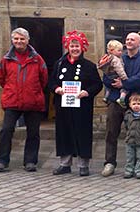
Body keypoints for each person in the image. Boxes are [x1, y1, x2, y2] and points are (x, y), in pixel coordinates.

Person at [49, 30, 102, 176]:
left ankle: (83, 165)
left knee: (82, 133)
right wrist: (57, 88)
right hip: (63, 106)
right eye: (72, 46)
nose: (74, 49)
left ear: (82, 47)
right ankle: (65, 164)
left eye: (77, 46)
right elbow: (51, 82)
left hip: (82, 107)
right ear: (68, 47)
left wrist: (87, 92)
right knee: (64, 133)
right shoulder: (59, 64)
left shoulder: (89, 66)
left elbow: (97, 84)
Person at [0, 27, 48, 172]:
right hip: (12, 100)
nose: (19, 41)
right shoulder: (6, 59)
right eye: (16, 39)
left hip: (33, 101)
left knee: (33, 133)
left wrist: (33, 90)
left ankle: (30, 161)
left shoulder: (37, 59)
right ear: (12, 40)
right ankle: (2, 160)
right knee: (6, 130)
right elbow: (1, 78)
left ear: (27, 40)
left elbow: (44, 79)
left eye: (22, 39)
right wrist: (11, 90)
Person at [102, 32, 140, 177]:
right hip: (115, 100)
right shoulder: (117, 57)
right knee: (111, 132)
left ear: (139, 43)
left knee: (137, 135)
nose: (128, 41)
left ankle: (136, 166)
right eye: (127, 39)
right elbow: (105, 77)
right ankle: (109, 163)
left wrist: (124, 83)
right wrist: (113, 83)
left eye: (132, 39)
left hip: (135, 102)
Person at [98, 40, 128, 106]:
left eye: (121, 51)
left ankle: (106, 97)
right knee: (125, 88)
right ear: (112, 50)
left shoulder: (107, 58)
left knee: (108, 88)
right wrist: (125, 78)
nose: (121, 52)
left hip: (109, 75)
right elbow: (119, 69)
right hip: (116, 75)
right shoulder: (116, 59)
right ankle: (121, 99)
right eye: (119, 50)